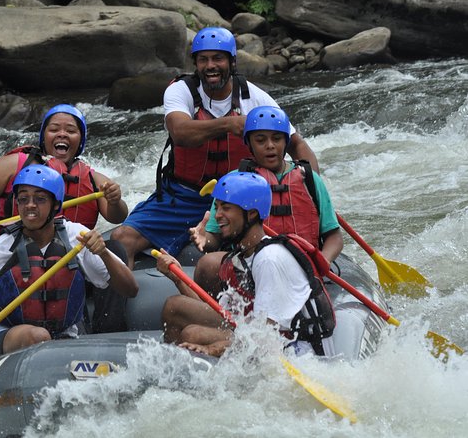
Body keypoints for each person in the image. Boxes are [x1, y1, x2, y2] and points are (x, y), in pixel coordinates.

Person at [111, 27, 318, 268]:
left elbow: (296, 143)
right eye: (203, 59)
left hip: (238, 201)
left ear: (231, 62)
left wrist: (311, 190)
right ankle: (117, 303)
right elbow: (180, 132)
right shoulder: (181, 91)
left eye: (218, 58)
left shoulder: (255, 98)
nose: (211, 65)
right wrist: (230, 124)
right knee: (121, 239)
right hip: (182, 196)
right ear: (196, 64)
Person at [0, 165, 138, 358]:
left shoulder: (76, 236)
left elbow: (130, 289)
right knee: (38, 336)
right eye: (23, 199)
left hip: (66, 335)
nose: (30, 205)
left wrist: (104, 254)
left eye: (40, 199)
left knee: (46, 338)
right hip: (10, 337)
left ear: (56, 206)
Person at [155, 171, 335, 358]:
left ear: (251, 214)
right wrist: (178, 279)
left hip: (301, 350)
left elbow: (265, 339)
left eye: (226, 208)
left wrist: (214, 348)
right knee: (175, 307)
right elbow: (225, 315)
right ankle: (175, 375)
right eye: (217, 207)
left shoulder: (269, 259)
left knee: (192, 334)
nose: (218, 215)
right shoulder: (243, 256)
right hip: (266, 336)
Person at [191, 106, 343, 295]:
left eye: (277, 139)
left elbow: (334, 237)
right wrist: (205, 239)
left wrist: (323, 261)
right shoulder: (234, 180)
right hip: (250, 265)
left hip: (302, 266)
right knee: (207, 264)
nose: (270, 145)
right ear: (250, 144)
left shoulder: (309, 179)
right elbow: (214, 238)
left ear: (286, 142)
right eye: (260, 140)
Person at [0, 104, 128, 244]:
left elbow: (117, 217)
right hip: (12, 250)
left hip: (69, 258)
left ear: (80, 140)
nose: (62, 134)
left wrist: (115, 201)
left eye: (71, 130)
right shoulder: (13, 165)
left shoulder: (94, 179)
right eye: (54, 129)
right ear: (44, 137)